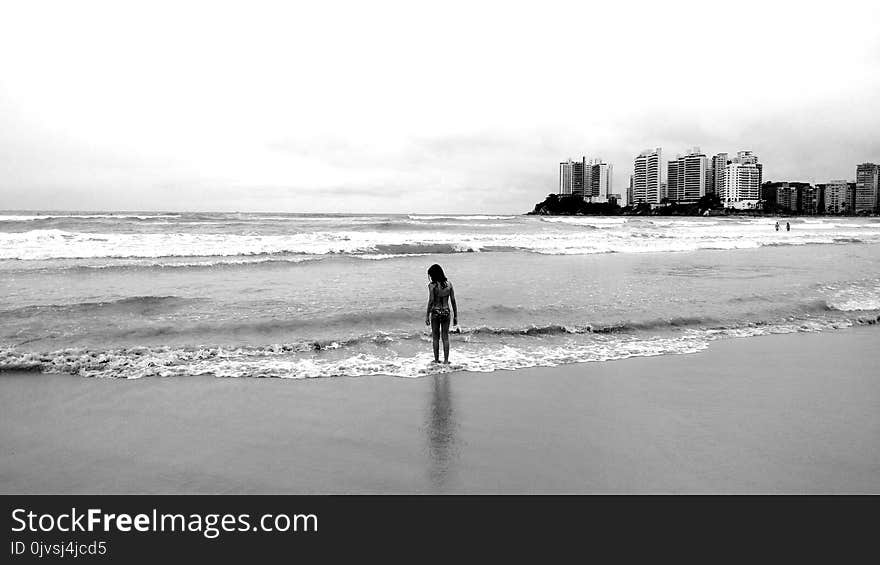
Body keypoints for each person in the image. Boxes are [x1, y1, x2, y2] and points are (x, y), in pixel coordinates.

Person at [425, 264, 458, 364]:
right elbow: (453, 300)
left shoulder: (432, 286)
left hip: (436, 311)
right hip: (446, 311)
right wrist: (456, 315)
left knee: (435, 337)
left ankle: (436, 359)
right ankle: (446, 361)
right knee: (445, 337)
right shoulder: (449, 284)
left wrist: (427, 315)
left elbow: (431, 301)